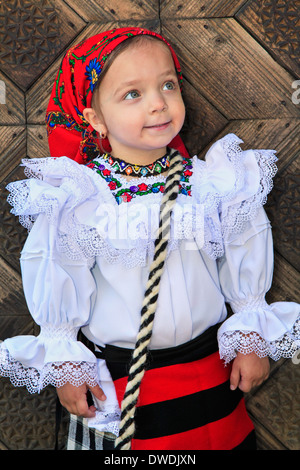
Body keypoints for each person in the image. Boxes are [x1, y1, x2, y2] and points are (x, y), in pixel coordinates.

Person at [0, 27, 299, 451]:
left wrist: (250, 333)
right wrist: (66, 361)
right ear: (95, 120)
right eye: (132, 94)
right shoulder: (81, 197)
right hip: (122, 380)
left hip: (210, 368)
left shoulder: (212, 183)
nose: (158, 102)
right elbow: (60, 272)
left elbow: (242, 250)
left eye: (167, 85)